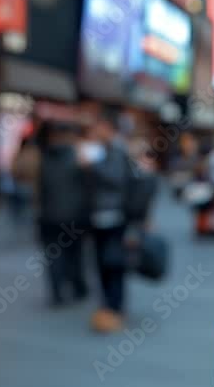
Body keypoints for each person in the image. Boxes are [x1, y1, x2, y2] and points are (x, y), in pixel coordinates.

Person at [80, 107, 133, 333]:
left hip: (113, 216)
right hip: (100, 215)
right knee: (102, 262)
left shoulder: (116, 150)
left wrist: (92, 166)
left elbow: (116, 178)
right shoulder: (106, 149)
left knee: (112, 263)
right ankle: (108, 306)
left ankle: (114, 306)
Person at [36, 121, 89, 307]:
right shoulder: (77, 158)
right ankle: (77, 286)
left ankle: (58, 290)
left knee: (54, 256)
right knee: (74, 254)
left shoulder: (46, 158)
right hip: (73, 216)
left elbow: (41, 189)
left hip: (49, 216)